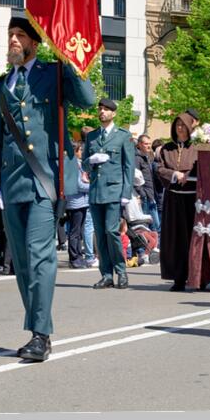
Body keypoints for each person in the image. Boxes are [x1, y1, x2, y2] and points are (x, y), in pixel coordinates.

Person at [0, 15, 95, 362]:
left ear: (35, 42)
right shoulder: (1, 85)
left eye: (20, 35)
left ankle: (40, 333)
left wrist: (69, 61)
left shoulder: (54, 74)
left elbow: (88, 100)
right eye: (10, 35)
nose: (13, 41)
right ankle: (37, 326)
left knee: (39, 255)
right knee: (23, 262)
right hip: (13, 184)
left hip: (45, 182)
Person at [83, 98, 135, 290]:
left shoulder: (123, 136)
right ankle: (106, 274)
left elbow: (129, 166)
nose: (102, 112)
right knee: (100, 234)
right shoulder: (92, 136)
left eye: (106, 109)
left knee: (112, 231)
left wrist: (126, 192)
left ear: (113, 113)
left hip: (114, 190)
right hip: (96, 191)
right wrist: (92, 160)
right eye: (100, 109)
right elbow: (85, 164)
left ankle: (121, 271)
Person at [156, 112, 199, 291]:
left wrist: (187, 176)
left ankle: (198, 277)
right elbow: (159, 169)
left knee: (194, 238)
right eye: (177, 125)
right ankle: (178, 278)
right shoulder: (167, 148)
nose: (180, 128)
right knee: (175, 240)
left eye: (183, 125)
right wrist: (174, 175)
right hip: (173, 199)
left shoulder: (197, 147)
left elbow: (202, 167)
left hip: (193, 199)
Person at [65, 142, 90, 268]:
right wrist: (93, 187)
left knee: (79, 231)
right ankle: (74, 258)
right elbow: (78, 185)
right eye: (80, 150)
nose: (82, 152)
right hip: (76, 202)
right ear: (75, 151)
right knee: (75, 232)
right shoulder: (72, 165)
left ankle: (79, 256)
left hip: (82, 201)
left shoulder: (78, 164)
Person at [135, 135, 160, 236]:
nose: (149, 146)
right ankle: (147, 249)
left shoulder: (148, 157)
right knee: (149, 225)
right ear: (139, 144)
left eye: (149, 143)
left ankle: (154, 248)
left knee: (155, 225)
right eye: (146, 144)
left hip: (151, 195)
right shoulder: (137, 158)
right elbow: (135, 177)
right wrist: (142, 194)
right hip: (144, 196)